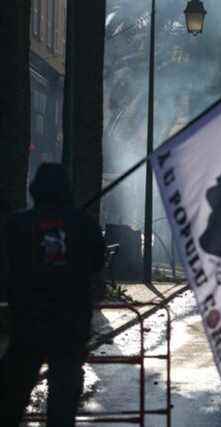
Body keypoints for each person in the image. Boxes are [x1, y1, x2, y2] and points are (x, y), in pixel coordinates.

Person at [0, 163, 106, 426]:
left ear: (35, 190)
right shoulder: (84, 225)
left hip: (27, 324)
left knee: (11, 399)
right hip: (70, 326)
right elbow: (96, 263)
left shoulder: (17, 224)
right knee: (62, 404)